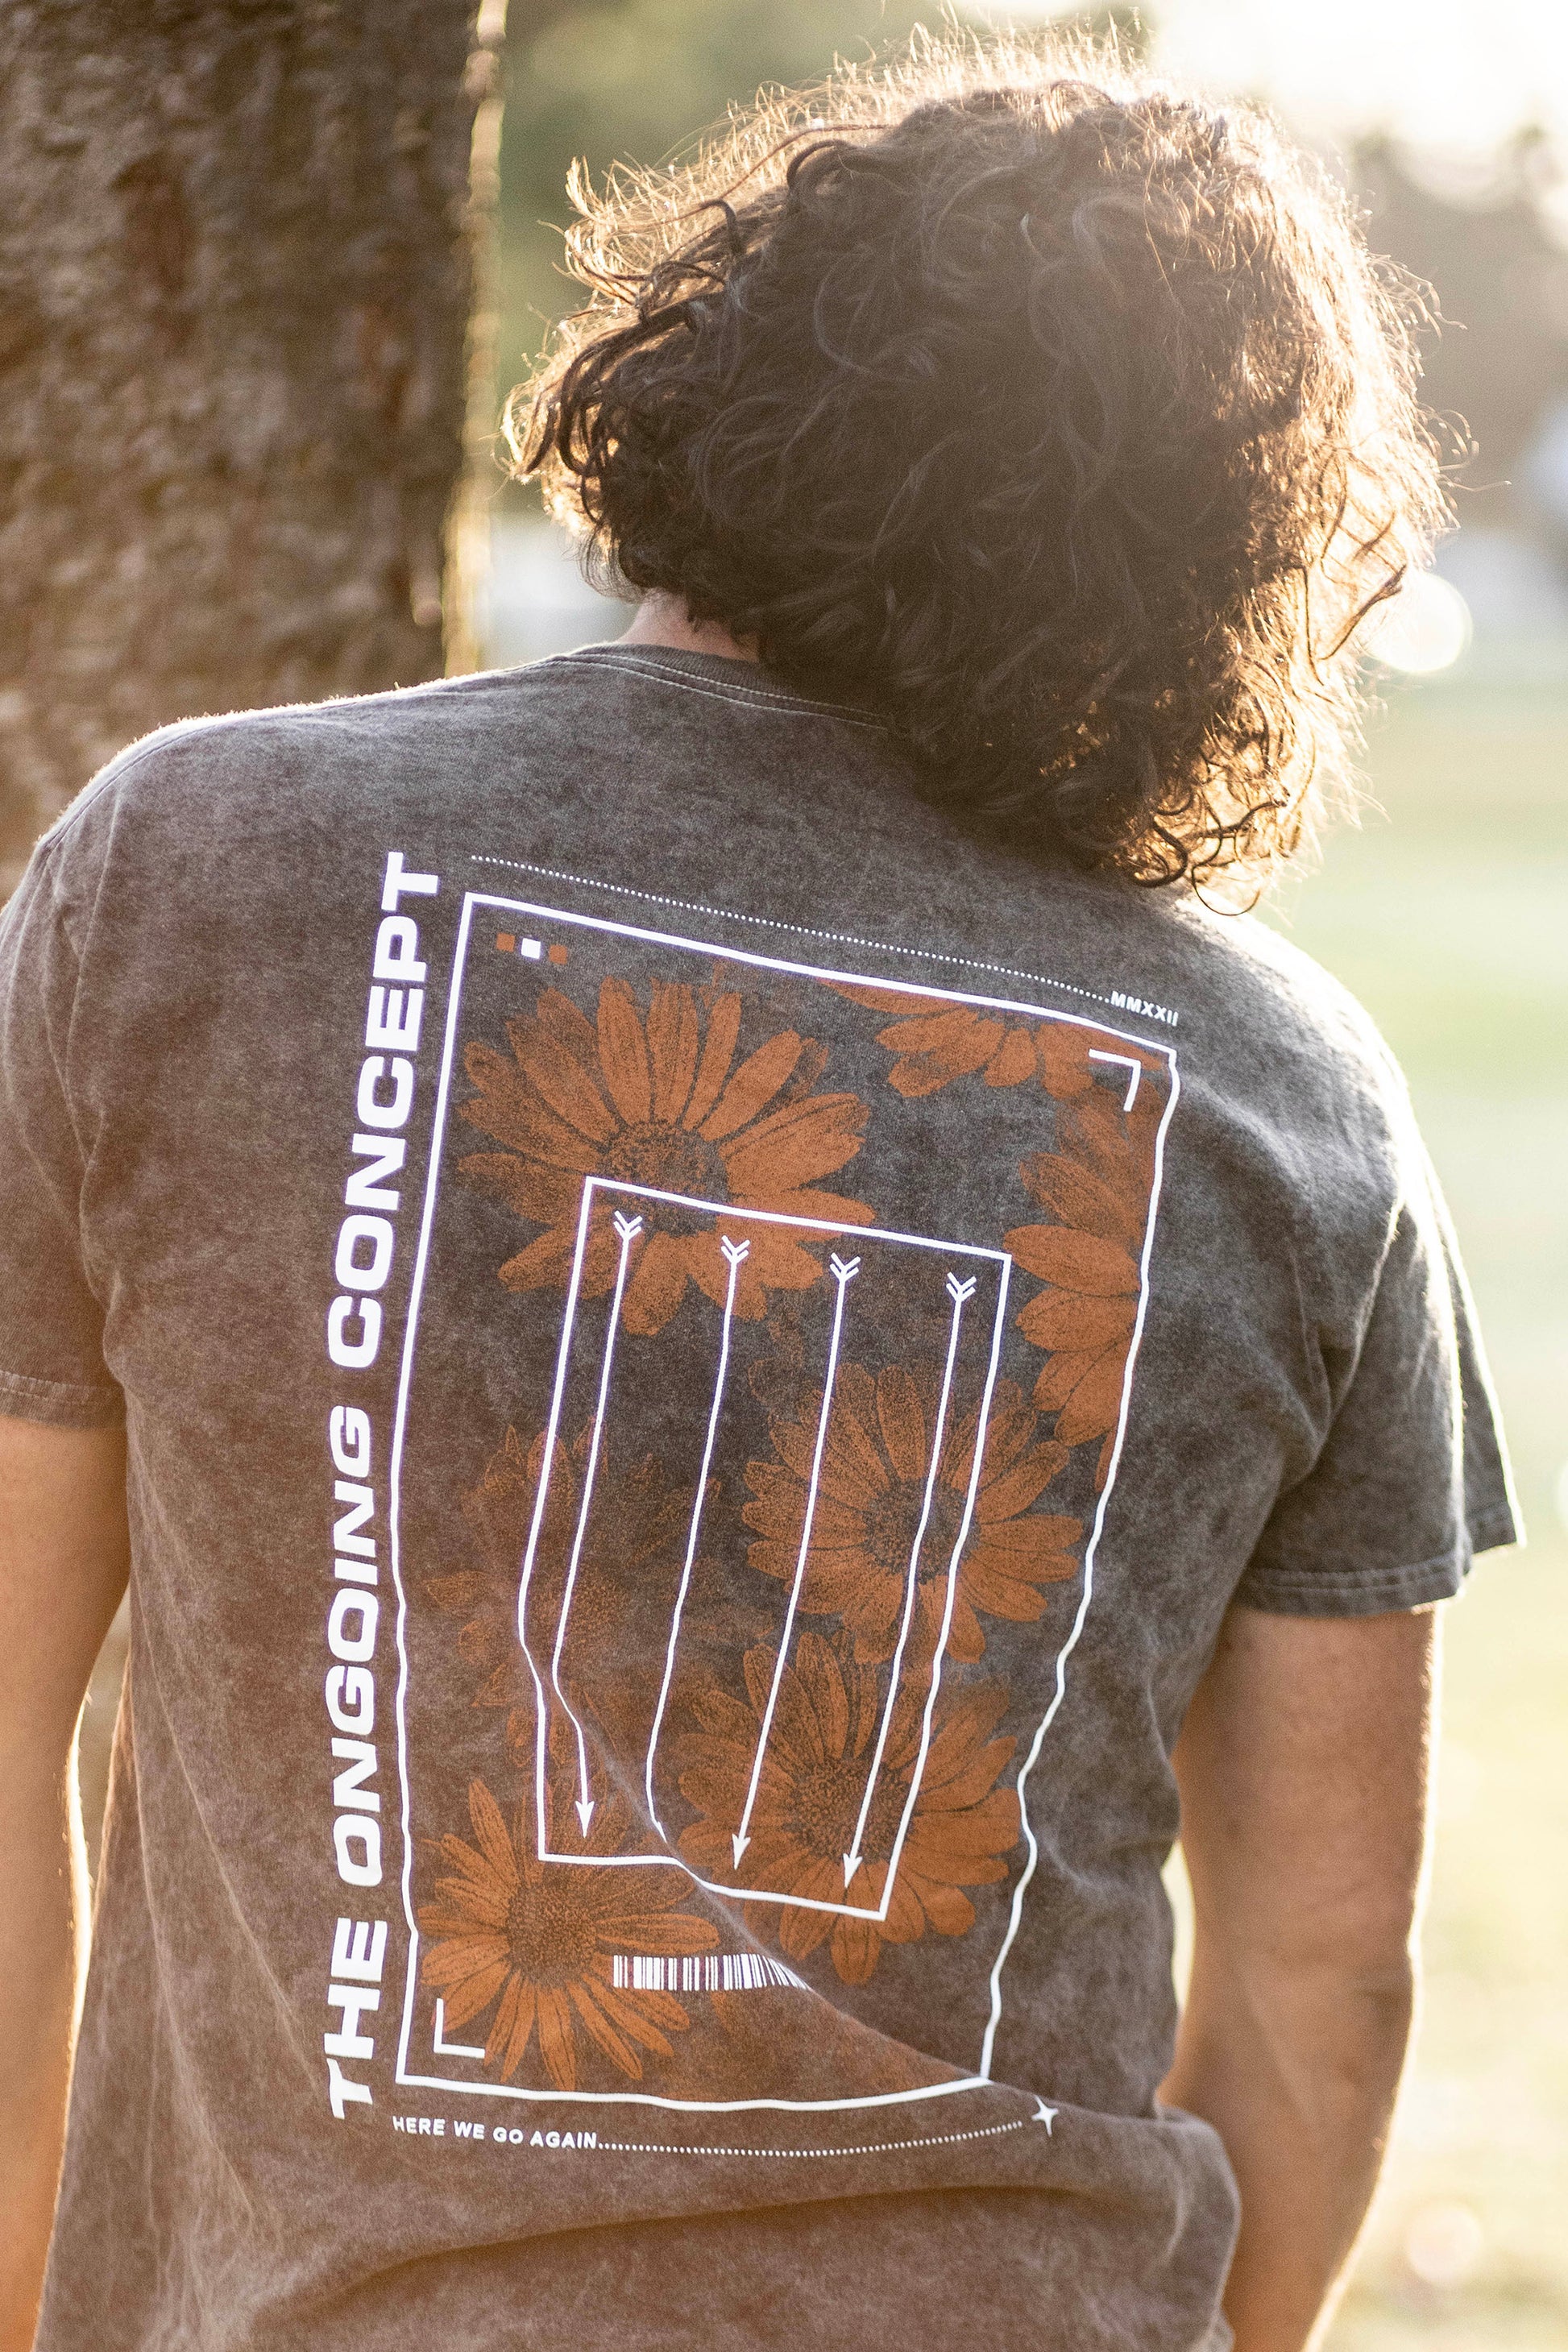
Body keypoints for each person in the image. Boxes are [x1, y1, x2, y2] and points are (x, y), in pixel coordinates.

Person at [0, 29, 1518, 2352]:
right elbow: (1328, 1978)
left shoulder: (195, 865)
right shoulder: (1287, 1092)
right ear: (1209, 561)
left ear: (720, 366)